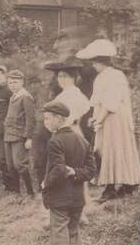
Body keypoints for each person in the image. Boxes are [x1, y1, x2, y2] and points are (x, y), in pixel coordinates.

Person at [76, 39, 140, 202]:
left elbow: (109, 103)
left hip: (115, 119)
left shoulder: (114, 76)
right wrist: (95, 117)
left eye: (94, 62)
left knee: (114, 149)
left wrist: (98, 120)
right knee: (106, 150)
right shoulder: (103, 76)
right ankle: (119, 186)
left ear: (100, 61)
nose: (93, 65)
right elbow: (99, 102)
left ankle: (120, 186)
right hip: (107, 117)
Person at [41, 101, 96, 245]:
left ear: (59, 119)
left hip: (60, 198)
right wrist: (76, 172)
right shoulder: (82, 140)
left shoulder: (55, 141)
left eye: (47, 118)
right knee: (73, 232)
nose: (44, 122)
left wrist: (46, 182)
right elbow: (91, 170)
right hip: (77, 199)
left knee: (59, 233)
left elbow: (59, 170)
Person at [4, 70, 36, 196]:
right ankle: (17, 193)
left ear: (22, 82)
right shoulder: (13, 96)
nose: (12, 85)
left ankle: (30, 193)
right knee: (10, 166)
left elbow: (31, 119)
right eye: (10, 82)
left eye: (15, 82)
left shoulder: (26, 97)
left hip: (19, 136)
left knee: (20, 165)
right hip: (8, 135)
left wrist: (29, 138)